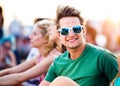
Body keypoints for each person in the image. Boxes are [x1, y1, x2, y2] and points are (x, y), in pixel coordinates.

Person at [39, 5, 118, 86]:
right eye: (64, 31)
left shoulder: (102, 57)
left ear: (83, 31)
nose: (71, 34)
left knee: (61, 82)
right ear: (59, 35)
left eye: (76, 29)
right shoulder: (58, 62)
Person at [0, 18, 64, 86]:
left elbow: (20, 77)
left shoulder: (52, 58)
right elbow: (11, 71)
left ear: (46, 39)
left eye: (35, 34)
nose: (30, 36)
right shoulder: (39, 56)